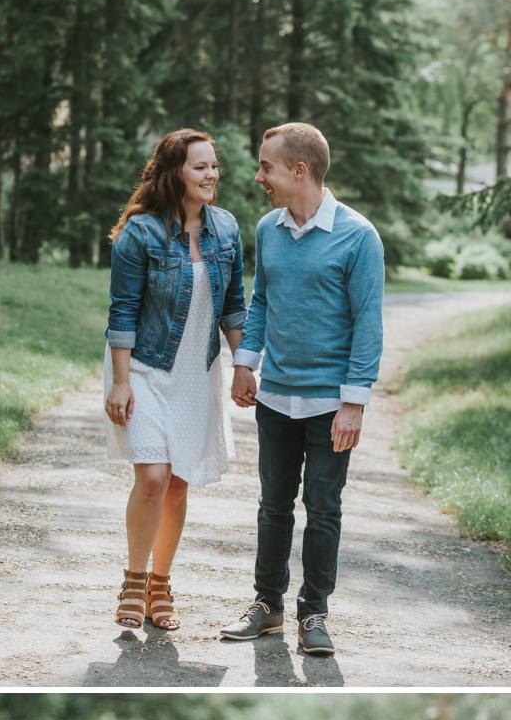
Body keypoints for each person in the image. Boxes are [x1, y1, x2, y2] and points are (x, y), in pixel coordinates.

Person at [220, 121, 385, 659]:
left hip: (329, 404)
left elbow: (368, 324)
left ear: (300, 170)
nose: (258, 176)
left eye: (266, 166)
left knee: (324, 506)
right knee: (273, 505)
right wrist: (246, 364)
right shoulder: (269, 228)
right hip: (275, 398)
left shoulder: (358, 236)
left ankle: (313, 611)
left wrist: (354, 403)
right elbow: (261, 300)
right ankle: (266, 606)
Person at [101, 128, 245, 638]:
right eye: (200, 167)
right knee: (154, 479)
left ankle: (161, 584)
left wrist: (243, 363)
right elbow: (121, 311)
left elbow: (233, 308)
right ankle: (134, 582)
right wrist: (121, 383)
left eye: (214, 166)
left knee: (180, 482)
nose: (211, 175)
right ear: (176, 172)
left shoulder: (226, 229)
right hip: (143, 366)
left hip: (196, 372)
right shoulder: (141, 234)